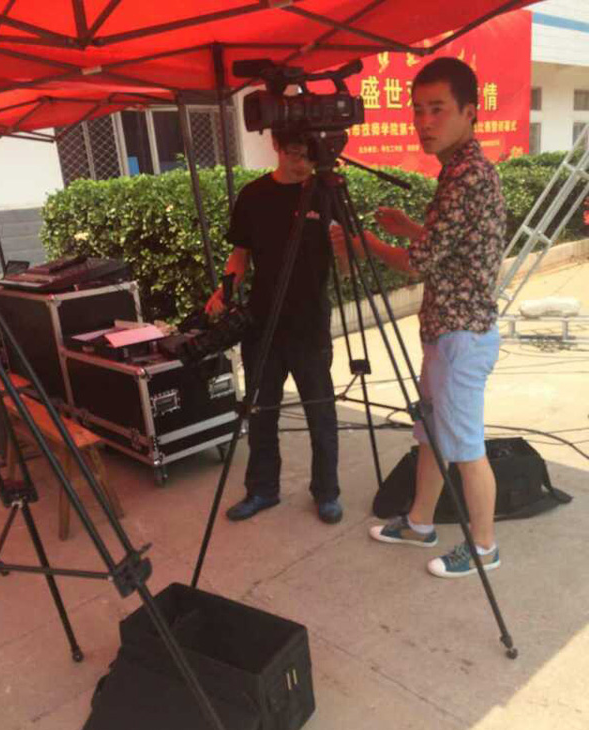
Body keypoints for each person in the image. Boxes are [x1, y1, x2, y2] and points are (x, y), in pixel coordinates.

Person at [331, 57, 506, 578]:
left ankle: (485, 548)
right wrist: (410, 225)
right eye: (418, 110)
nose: (424, 122)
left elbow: (419, 263)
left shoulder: (467, 176)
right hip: (446, 331)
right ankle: (419, 522)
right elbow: (453, 245)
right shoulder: (460, 170)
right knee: (430, 433)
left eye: (438, 109)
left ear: (469, 112)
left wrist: (365, 245)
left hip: (461, 335)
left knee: (466, 446)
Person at [206, 131, 342, 524]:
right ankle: (262, 489)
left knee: (321, 412)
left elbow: (345, 252)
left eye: (308, 156)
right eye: (295, 154)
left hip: (310, 322)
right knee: (262, 412)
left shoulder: (324, 192)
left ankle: (327, 492)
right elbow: (240, 254)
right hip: (263, 322)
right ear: (277, 148)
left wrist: (347, 250)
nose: (302, 164)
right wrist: (224, 291)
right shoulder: (253, 196)